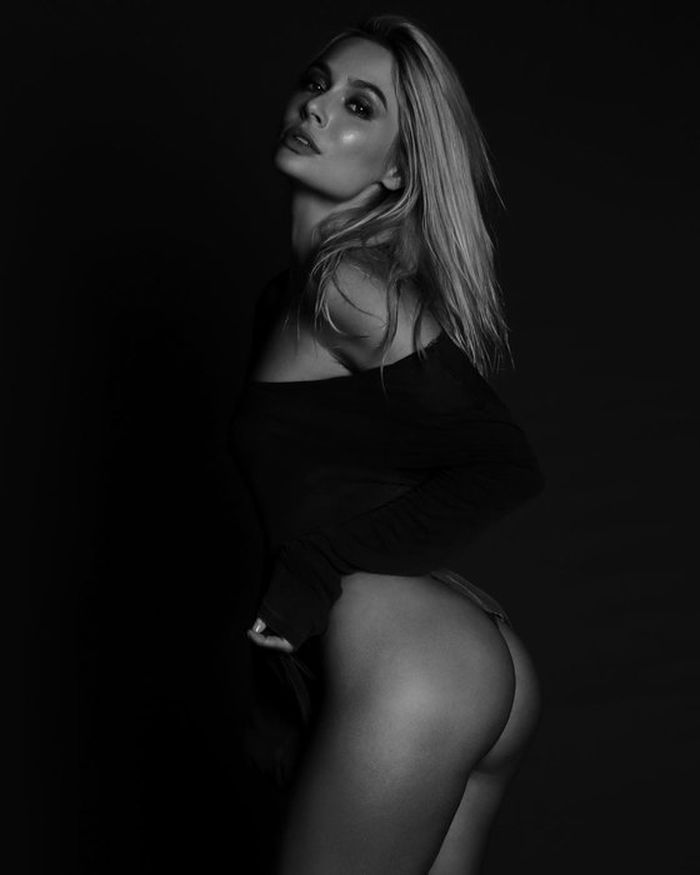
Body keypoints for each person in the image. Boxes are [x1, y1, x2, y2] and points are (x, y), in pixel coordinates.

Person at [228, 13, 546, 874]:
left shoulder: (347, 286)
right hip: (429, 652)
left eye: (360, 106)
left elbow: (502, 462)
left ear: (397, 169)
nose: (318, 108)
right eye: (317, 84)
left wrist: (317, 567)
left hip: (410, 658)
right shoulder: (292, 295)